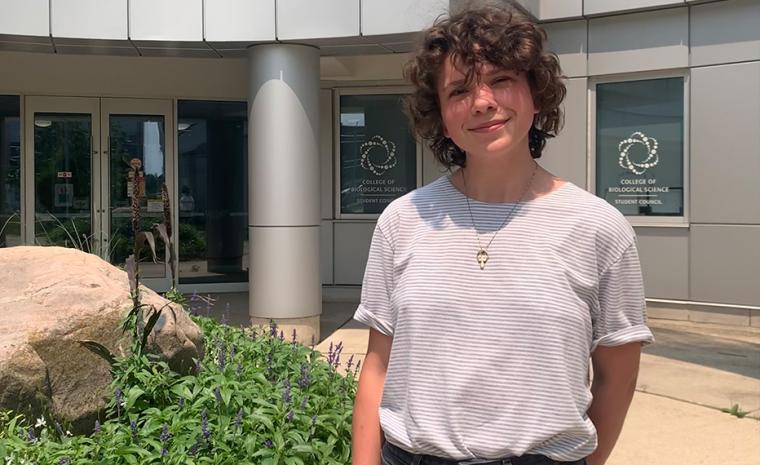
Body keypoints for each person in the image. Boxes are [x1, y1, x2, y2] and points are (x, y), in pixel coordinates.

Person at [351, 4, 654, 465]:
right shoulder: (403, 219)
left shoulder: (598, 227)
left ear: (535, 93)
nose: (481, 101)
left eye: (502, 80)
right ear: (441, 114)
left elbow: (617, 375)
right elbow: (378, 364)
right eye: (459, 90)